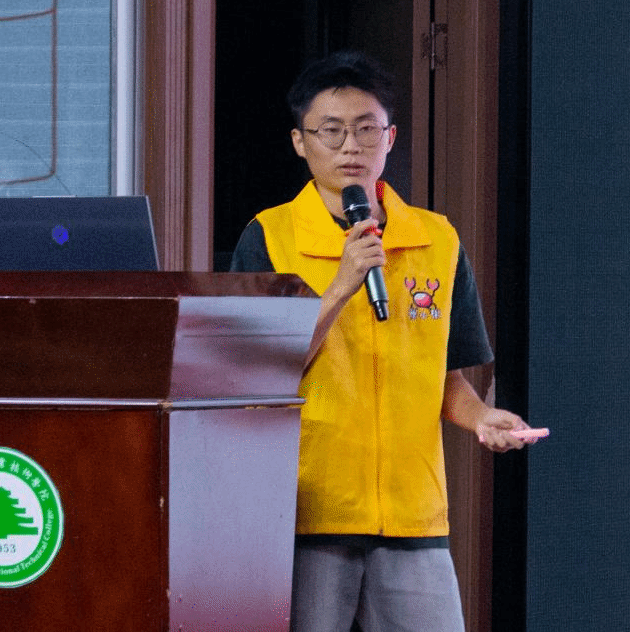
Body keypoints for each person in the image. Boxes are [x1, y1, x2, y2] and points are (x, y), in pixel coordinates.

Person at [229, 50, 534, 632]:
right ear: (300, 142)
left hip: (413, 513)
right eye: (332, 131)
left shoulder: (436, 239)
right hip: (309, 513)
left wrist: (482, 419)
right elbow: (259, 373)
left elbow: (448, 377)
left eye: (366, 129)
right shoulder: (269, 236)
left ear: (390, 138)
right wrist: (341, 286)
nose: (351, 146)